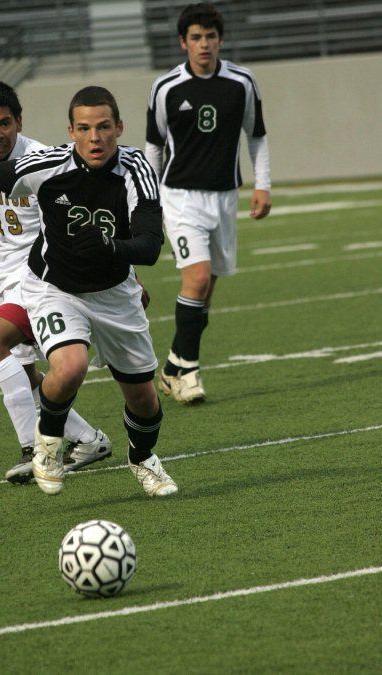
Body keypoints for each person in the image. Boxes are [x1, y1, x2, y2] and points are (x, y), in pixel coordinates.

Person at [0, 85, 178, 498]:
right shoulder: (48, 164)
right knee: (67, 367)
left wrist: (110, 247)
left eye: (104, 127)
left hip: (116, 294)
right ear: (71, 131)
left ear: (119, 127)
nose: (95, 137)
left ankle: (142, 458)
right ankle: (45, 447)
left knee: (143, 399)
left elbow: (151, 244)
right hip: (54, 288)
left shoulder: (137, 169)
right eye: (84, 128)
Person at [0, 81, 112, 484]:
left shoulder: (42, 160)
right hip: (7, 272)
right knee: (22, 370)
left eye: (4, 124)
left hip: (45, 274)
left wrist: (127, 276)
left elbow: (85, 219)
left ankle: (34, 449)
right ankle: (88, 439)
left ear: (19, 123)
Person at [145, 2, 272, 403]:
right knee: (196, 280)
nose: (204, 45)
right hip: (180, 197)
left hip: (224, 198)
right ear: (183, 42)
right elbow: (153, 148)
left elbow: (257, 134)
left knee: (206, 290)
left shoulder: (242, 82)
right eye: (196, 38)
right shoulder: (166, 88)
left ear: (220, 40)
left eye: (211, 37)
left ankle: (172, 368)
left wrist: (262, 184)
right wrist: (152, 202)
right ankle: (190, 374)